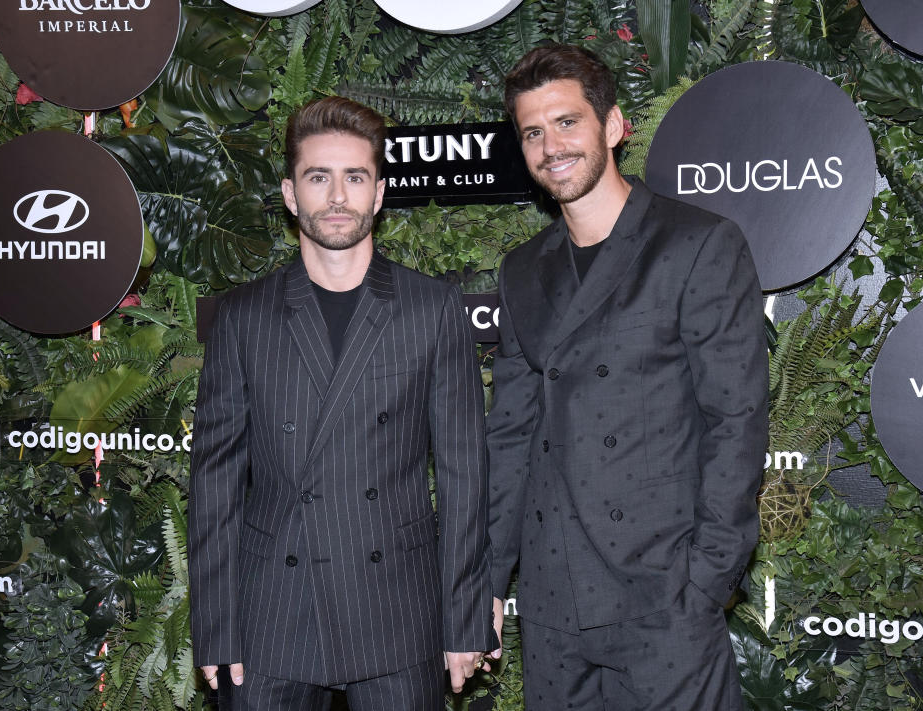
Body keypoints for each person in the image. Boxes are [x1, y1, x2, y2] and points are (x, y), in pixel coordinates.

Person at [188, 96, 498, 710]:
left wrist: (463, 617)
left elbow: (465, 474)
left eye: (354, 177)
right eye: (317, 177)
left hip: (397, 611)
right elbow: (214, 482)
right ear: (289, 193)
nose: (336, 196)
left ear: (378, 194)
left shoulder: (429, 309)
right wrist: (216, 627)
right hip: (271, 611)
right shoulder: (245, 316)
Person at [486, 45, 768, 711]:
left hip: (663, 597)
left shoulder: (695, 244)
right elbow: (510, 437)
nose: (550, 145)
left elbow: (735, 422)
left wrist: (705, 584)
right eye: (532, 131)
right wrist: (489, 580)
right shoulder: (523, 269)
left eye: (566, 122)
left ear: (613, 126)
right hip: (556, 605)